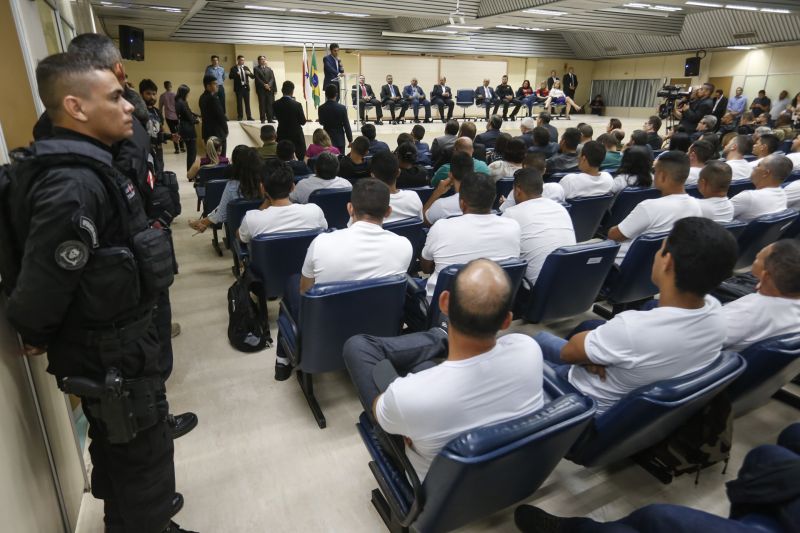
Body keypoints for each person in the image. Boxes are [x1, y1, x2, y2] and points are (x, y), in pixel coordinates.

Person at [7, 52, 195, 533]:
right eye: (114, 97)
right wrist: (36, 331)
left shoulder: (90, 168)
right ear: (76, 106)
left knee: (120, 451)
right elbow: (45, 280)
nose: (129, 105)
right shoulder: (72, 185)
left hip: (118, 342)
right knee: (143, 459)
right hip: (109, 349)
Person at [342, 259, 544, 480]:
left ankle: (440, 337)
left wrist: (401, 414)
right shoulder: (529, 349)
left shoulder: (409, 395)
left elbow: (379, 412)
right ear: (507, 320)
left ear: (444, 302)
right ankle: (439, 338)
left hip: (433, 486)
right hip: (504, 478)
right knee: (423, 366)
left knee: (357, 347)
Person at [535, 216, 737, 414]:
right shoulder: (717, 313)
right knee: (590, 326)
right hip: (637, 398)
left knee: (533, 341)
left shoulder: (632, 329)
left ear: (667, 261)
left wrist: (586, 357)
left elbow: (567, 353)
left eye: (660, 249)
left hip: (579, 400)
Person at [274, 179, 413, 379]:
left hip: (327, 330)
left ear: (350, 208)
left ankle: (282, 362)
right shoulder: (404, 246)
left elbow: (305, 293)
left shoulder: (322, 243)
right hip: (379, 326)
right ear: (389, 211)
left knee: (293, 282)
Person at [421, 172, 521, 302]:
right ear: (494, 198)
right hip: (494, 306)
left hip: (445, 311)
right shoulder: (513, 226)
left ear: (462, 204)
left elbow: (425, 267)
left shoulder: (441, 228)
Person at [608, 150, 702, 263]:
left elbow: (614, 235)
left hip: (626, 264)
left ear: (662, 176)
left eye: (655, 171)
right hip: (664, 267)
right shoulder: (697, 206)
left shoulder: (648, 207)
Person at [722, 240, 800, 351]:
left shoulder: (747, 312)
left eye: (758, 257)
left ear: (765, 276)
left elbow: (695, 338)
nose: (756, 258)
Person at [502, 168, 576, 285]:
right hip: (572, 282)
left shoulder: (511, 214)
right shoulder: (560, 208)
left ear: (518, 190)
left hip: (535, 290)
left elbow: (504, 255)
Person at [237, 163, 328, 243]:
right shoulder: (314, 211)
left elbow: (240, 237)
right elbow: (325, 230)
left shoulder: (252, 219)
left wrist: (266, 201)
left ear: (262, 188)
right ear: (293, 187)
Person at [189, 144, 263, 232]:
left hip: (239, 230)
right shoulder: (266, 185)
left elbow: (221, 214)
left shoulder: (232, 186)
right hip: (263, 226)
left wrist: (205, 221)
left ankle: (203, 222)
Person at [731, 154, 791, 222]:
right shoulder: (783, 195)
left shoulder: (748, 197)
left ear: (766, 173)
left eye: (758, 165)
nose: (754, 168)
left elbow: (718, 217)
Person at [369, 151, 423, 222]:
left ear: (373, 176)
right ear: (398, 172)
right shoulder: (414, 197)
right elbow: (421, 221)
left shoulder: (365, 204)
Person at [423, 151, 473, 225]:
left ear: (450, 175)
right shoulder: (483, 200)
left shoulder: (441, 205)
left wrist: (437, 193)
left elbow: (424, 220)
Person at [139, 78, 173, 175]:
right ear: (141, 94)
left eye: (154, 94)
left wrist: (170, 136)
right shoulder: (137, 112)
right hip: (144, 151)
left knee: (159, 175)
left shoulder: (157, 112)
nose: (152, 97)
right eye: (148, 94)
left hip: (158, 151)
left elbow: (160, 131)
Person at [273, 80, 307, 160]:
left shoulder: (275, 104)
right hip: (296, 136)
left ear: (282, 91)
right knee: (300, 158)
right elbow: (303, 122)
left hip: (282, 134)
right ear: (292, 92)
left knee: (283, 159)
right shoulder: (297, 105)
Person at [317, 84, 352, 155]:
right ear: (336, 94)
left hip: (326, 139)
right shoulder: (342, 108)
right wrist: (350, 140)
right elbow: (346, 125)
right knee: (340, 160)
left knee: (328, 160)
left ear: (326, 95)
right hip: (339, 139)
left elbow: (321, 122)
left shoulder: (321, 108)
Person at [198, 74, 228, 156]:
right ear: (208, 86)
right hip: (217, 133)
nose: (217, 85)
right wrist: (226, 130)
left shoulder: (202, 97)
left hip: (207, 132)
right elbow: (221, 116)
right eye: (214, 83)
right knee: (220, 158)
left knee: (210, 157)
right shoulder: (213, 98)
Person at [158, 81, 184, 154]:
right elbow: (179, 106)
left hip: (168, 117)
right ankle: (182, 147)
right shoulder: (175, 95)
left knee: (173, 132)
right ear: (171, 86)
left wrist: (160, 118)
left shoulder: (162, 96)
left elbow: (160, 108)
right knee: (179, 131)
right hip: (176, 116)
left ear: (164, 86)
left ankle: (177, 149)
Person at [229, 55, 254, 121]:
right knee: (239, 103)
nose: (243, 61)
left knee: (247, 103)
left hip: (246, 87)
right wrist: (236, 74)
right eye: (241, 60)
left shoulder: (246, 67)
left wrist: (249, 73)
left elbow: (252, 76)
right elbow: (230, 76)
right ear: (238, 60)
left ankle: (249, 117)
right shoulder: (234, 68)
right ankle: (240, 116)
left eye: (243, 60)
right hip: (238, 88)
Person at [253, 54, 277, 123]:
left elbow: (272, 78)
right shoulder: (256, 69)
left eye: (264, 59)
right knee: (262, 104)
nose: (263, 60)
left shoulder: (269, 69)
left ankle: (270, 119)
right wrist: (264, 85)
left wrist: (269, 85)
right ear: (258, 61)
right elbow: (257, 79)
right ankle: (262, 119)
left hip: (269, 89)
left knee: (269, 104)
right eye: (261, 59)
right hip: (261, 90)